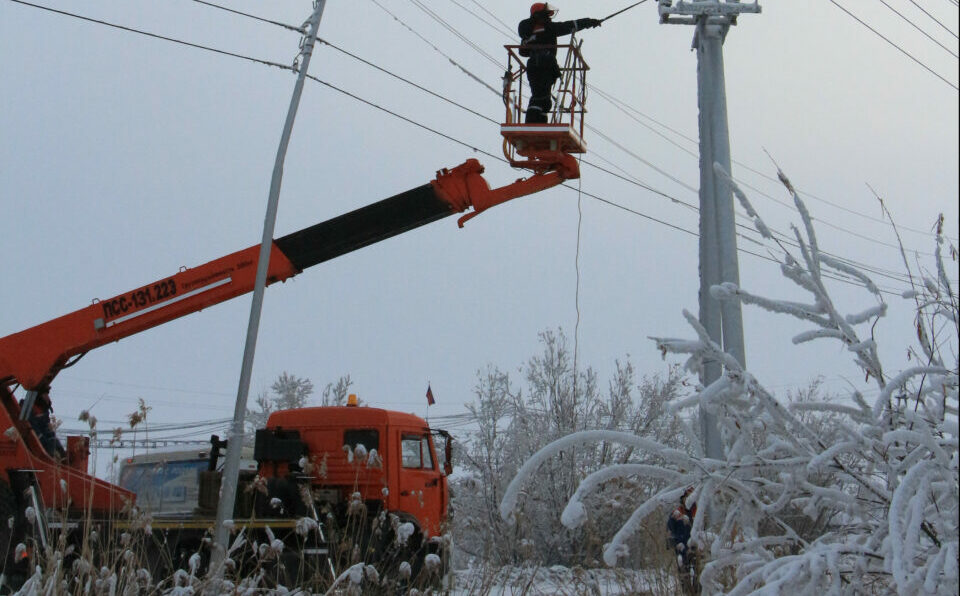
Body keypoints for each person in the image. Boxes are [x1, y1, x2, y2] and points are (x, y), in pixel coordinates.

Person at [518, 3, 601, 123]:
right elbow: (570, 25)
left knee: (539, 96)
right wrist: (589, 22)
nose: (549, 18)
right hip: (545, 64)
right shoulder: (548, 28)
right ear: (539, 15)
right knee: (541, 98)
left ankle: (537, 122)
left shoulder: (528, 31)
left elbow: (523, 52)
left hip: (533, 65)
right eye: (546, 15)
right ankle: (535, 123)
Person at [667, 487, 700, 594]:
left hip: (697, 549)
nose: (688, 499)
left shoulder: (699, 512)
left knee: (698, 575)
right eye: (687, 497)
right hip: (681, 548)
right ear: (683, 498)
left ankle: (697, 593)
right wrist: (674, 543)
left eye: (691, 497)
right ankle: (687, 593)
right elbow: (670, 530)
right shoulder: (677, 513)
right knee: (684, 575)